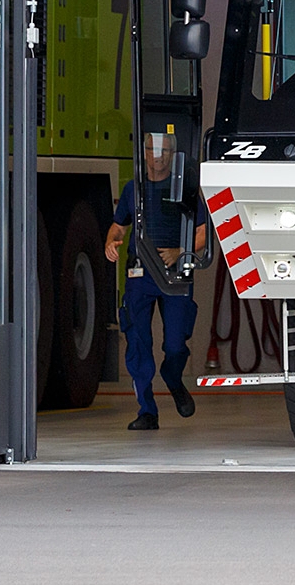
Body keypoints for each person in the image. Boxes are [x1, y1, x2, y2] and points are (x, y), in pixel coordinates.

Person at [105, 132, 209, 431]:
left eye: (165, 150)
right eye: (153, 150)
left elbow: (202, 233)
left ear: (173, 153)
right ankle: (147, 411)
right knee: (138, 342)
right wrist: (111, 243)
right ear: (145, 152)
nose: (159, 156)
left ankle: (174, 379)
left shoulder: (185, 188)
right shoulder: (132, 190)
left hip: (174, 274)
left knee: (175, 345)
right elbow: (118, 227)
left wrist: (180, 252)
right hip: (140, 276)